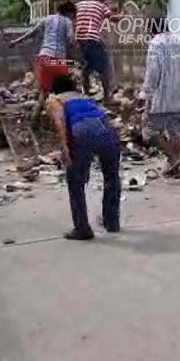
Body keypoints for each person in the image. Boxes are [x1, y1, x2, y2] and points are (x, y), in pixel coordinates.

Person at [44, 74, 121, 240]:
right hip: (106, 129)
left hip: (82, 129)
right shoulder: (84, 98)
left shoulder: (55, 100)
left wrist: (65, 149)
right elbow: (103, 115)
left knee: (75, 180)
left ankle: (82, 228)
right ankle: (112, 221)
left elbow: (60, 122)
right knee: (112, 177)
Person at [142, 18, 180, 178]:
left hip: (159, 97)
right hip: (177, 96)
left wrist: (146, 93)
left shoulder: (155, 43)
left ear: (151, 30)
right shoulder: (179, 42)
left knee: (150, 132)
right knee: (174, 132)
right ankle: (176, 170)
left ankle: (173, 158)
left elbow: (153, 72)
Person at [10, 1, 77, 117]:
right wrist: (75, 49)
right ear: (68, 12)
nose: (73, 17)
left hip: (43, 59)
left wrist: (15, 42)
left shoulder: (47, 19)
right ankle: (72, 114)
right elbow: (71, 40)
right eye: (73, 14)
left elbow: (32, 32)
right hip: (56, 60)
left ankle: (34, 120)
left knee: (43, 93)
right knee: (74, 75)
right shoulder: (67, 21)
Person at [74, 0, 116, 102]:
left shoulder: (77, 5)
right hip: (93, 38)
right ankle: (107, 97)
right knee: (104, 68)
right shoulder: (101, 6)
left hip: (79, 39)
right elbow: (113, 18)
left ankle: (87, 95)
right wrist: (124, 16)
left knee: (85, 67)